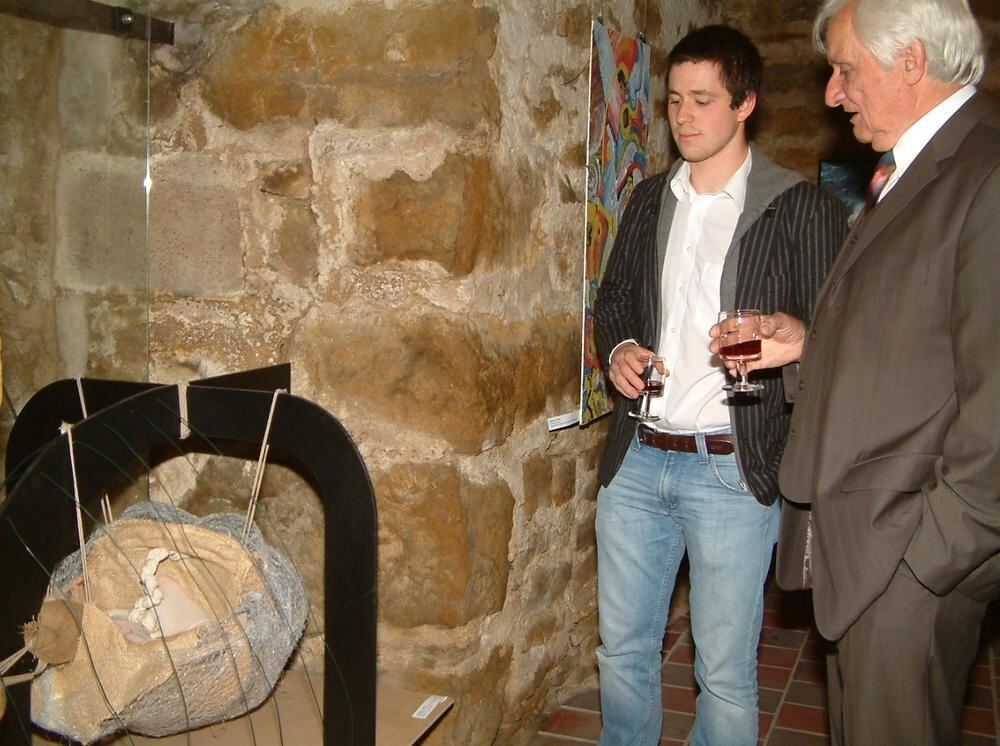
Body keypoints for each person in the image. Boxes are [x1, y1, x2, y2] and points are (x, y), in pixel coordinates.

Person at [710, 0, 999, 742]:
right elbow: (918, 342)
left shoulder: (987, 170)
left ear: (911, 61)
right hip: (870, 552)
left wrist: (927, 560)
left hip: (909, 558)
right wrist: (809, 343)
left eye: (844, 69)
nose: (833, 94)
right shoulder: (908, 170)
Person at [592, 24, 848, 746]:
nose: (684, 116)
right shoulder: (648, 200)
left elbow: (838, 336)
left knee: (725, 675)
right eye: (675, 100)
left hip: (733, 469)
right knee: (622, 653)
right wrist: (621, 349)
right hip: (638, 460)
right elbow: (614, 302)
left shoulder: (800, 208)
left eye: (703, 100)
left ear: (745, 104)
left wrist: (791, 337)